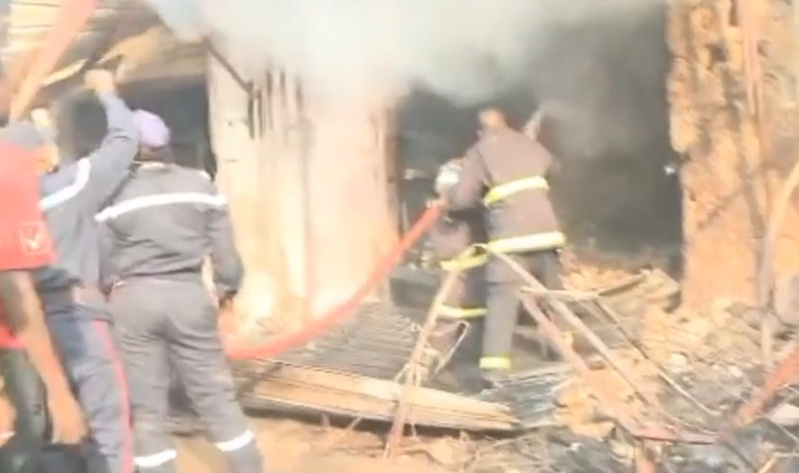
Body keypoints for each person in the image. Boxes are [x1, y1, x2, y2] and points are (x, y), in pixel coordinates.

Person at [96, 110, 264, 473]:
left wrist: (112, 292)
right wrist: (225, 294)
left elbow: (103, 263)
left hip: (133, 301)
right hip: (188, 294)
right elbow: (226, 257)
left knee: (145, 406)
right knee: (216, 396)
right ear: (166, 145)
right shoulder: (200, 184)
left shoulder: (111, 197)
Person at [17, 68, 138, 473]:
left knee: (53, 433)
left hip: (24, 331)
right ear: (42, 156)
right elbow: (124, 140)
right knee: (109, 426)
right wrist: (107, 92)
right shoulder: (69, 185)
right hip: (79, 317)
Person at [445, 107, 567, 386]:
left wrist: (447, 197)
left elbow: (462, 199)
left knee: (502, 300)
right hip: (547, 234)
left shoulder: (480, 151)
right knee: (554, 297)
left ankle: (494, 372)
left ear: (480, 131)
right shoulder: (527, 143)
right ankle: (562, 355)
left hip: (510, 238)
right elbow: (555, 168)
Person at [0, 133, 87, 471]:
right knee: (27, 433)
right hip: (14, 334)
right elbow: (15, 290)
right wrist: (60, 395)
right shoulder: (9, 166)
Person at [428, 159, 487, 389]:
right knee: (458, 328)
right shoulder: (462, 217)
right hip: (466, 286)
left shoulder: (446, 215)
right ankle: (436, 368)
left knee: (460, 329)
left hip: (462, 288)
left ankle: (439, 367)